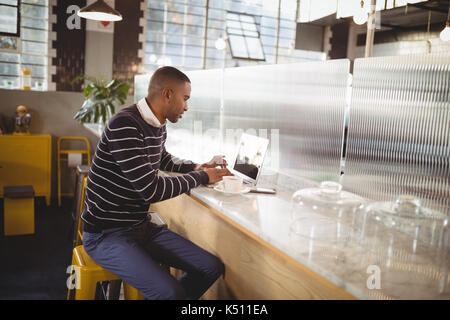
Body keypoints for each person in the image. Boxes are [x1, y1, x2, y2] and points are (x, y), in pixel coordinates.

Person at [81, 66, 232, 300]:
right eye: (185, 98)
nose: (186, 107)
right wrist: (203, 177)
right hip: (106, 234)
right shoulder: (125, 124)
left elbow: (161, 158)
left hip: (139, 227)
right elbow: (150, 189)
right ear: (168, 94)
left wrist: (196, 167)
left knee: (210, 267)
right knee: (170, 293)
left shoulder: (157, 124)